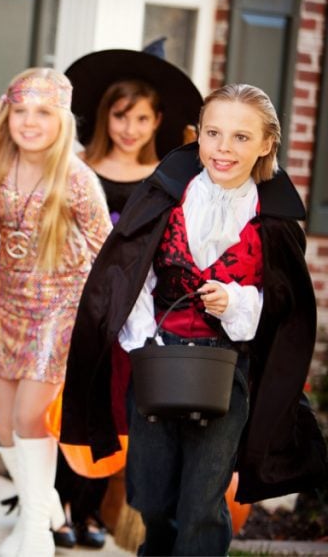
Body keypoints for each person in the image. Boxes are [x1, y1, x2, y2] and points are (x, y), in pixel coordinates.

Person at [61, 83, 327, 555]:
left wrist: (238, 301)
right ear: (198, 136)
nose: (224, 148)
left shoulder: (274, 218)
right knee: (152, 494)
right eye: (214, 133)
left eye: (242, 137)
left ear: (267, 144)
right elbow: (129, 274)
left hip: (228, 369)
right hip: (158, 358)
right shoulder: (166, 196)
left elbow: (284, 307)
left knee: (203, 500)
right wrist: (146, 341)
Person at [0, 68, 112, 557]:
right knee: (3, 427)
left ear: (62, 120)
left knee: (30, 418)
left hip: (62, 306)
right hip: (11, 305)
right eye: (20, 110)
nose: (29, 121)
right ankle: (32, 514)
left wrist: (104, 317)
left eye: (43, 112)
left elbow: (107, 249)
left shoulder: (78, 179)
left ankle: (38, 530)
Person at [56, 48, 203, 549]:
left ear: (158, 120)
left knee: (111, 408)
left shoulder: (167, 177)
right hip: (72, 303)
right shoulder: (77, 168)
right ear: (105, 115)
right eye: (121, 115)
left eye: (142, 117)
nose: (130, 127)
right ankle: (59, 505)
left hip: (130, 312)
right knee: (66, 400)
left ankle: (93, 509)